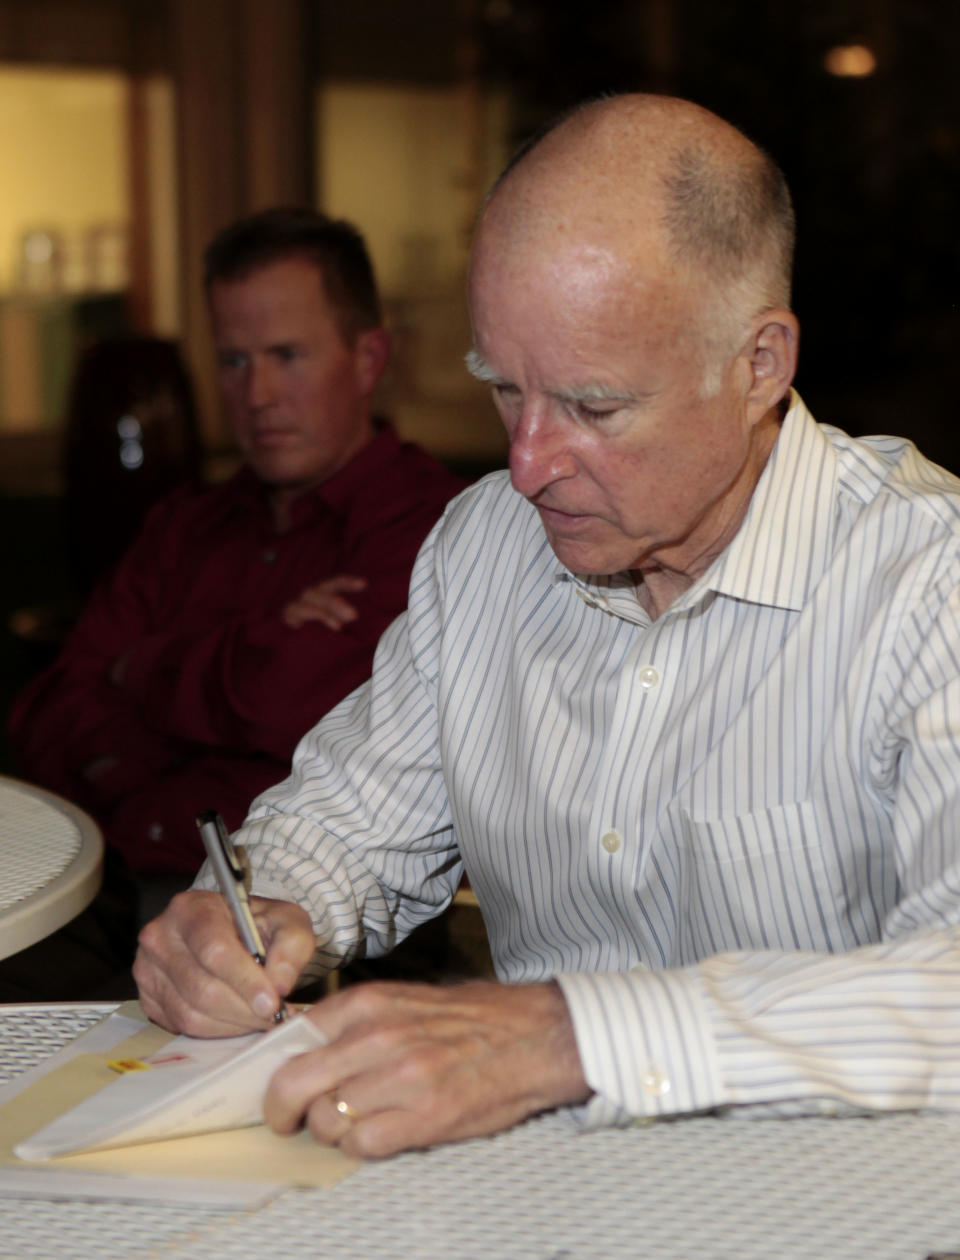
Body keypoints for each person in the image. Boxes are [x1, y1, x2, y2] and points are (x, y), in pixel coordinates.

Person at [135, 95, 960, 1161]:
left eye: (594, 406)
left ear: (761, 363)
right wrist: (244, 916)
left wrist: (559, 1036)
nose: (526, 465)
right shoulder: (484, 546)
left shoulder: (929, 583)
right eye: (503, 391)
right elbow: (347, 820)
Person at [8, 206, 465, 881]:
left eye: (287, 355)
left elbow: (299, 706)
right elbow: (42, 724)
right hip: (105, 889)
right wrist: (256, 647)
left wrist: (134, 672)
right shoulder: (184, 526)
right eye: (232, 360)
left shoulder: (438, 529)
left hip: (305, 930)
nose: (257, 394)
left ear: (368, 358)